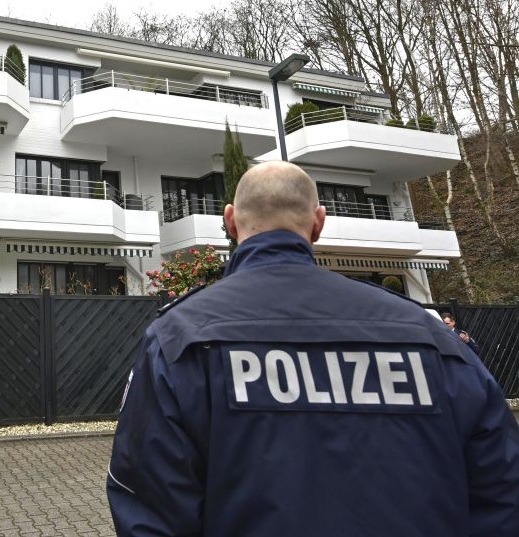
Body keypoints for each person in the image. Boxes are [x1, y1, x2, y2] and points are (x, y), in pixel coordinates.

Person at [107, 161, 519, 536]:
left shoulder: (180, 337)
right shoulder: (429, 336)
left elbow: (149, 510)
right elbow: (502, 493)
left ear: (230, 222)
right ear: (318, 223)